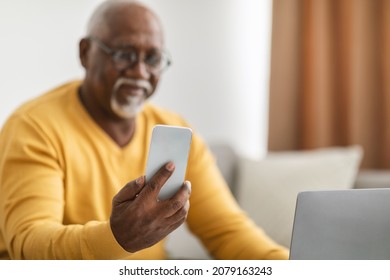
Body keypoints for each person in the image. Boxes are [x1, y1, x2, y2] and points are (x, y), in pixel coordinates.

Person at [0, 0, 289, 260]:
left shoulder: (176, 130)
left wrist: (297, 267)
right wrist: (115, 238)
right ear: (85, 53)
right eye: (125, 55)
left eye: (153, 59)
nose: (140, 72)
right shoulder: (34, 127)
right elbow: (28, 245)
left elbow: (228, 231)